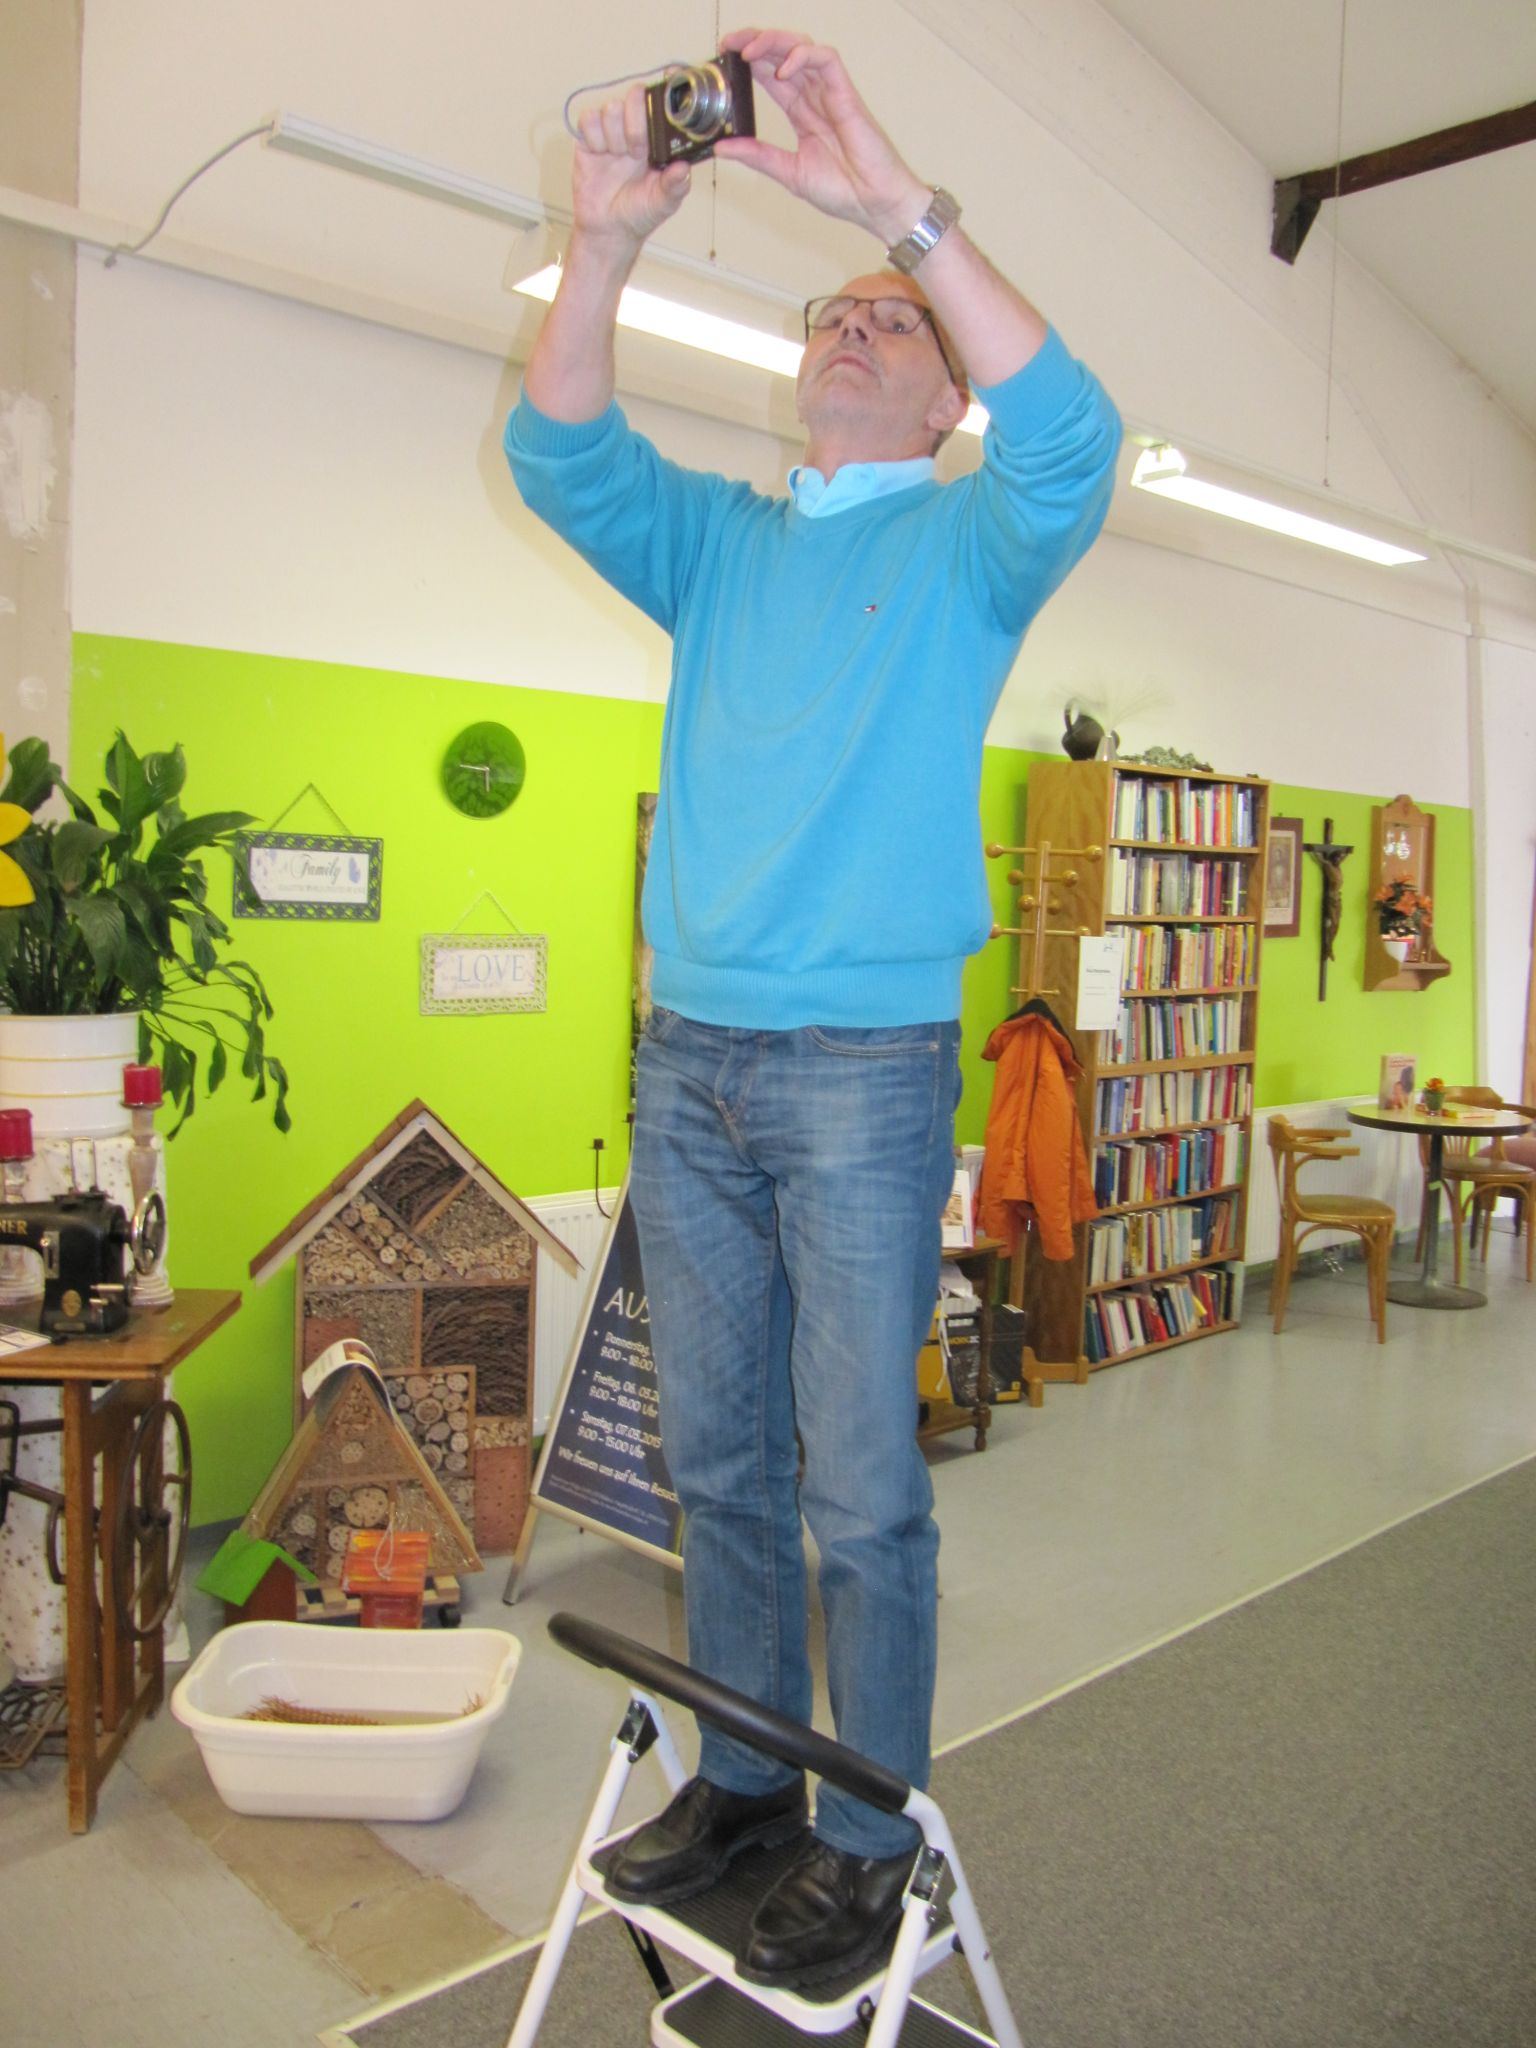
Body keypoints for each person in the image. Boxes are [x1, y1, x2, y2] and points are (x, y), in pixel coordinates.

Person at [506, 27, 1120, 1990]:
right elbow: (556, 449)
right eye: (831, 312)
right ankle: (750, 1785)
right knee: (722, 1471)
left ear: (942, 396)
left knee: (861, 1488)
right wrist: (603, 240)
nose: (853, 325)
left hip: (862, 1075)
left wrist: (897, 209)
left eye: (891, 319)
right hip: (686, 1061)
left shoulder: (970, 544)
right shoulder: (721, 542)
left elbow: (1078, 439)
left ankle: (866, 1836)